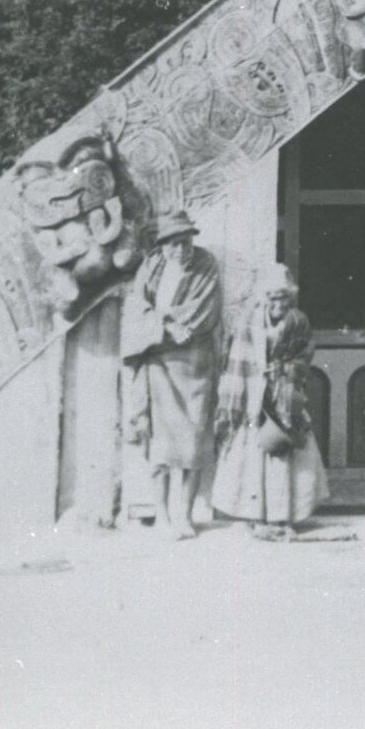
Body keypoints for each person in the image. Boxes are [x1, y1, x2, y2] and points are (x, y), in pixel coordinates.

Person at [121, 211, 224, 538]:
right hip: (158, 366)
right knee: (159, 447)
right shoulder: (151, 267)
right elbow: (137, 307)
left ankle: (185, 515)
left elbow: (204, 311)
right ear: (163, 245)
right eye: (174, 243)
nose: (181, 249)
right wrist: (163, 326)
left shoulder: (206, 265)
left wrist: (165, 324)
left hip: (194, 365)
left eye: (186, 241)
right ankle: (163, 515)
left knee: (193, 444)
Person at [211, 263, 329, 536]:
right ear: (264, 297)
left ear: (291, 298)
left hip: (285, 393)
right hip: (253, 396)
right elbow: (236, 360)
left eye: (284, 297)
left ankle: (282, 515)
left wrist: (287, 371)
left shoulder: (298, 321)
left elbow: (304, 356)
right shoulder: (247, 321)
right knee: (251, 451)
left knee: (284, 449)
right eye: (273, 297)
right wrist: (235, 402)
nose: (279, 303)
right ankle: (255, 515)